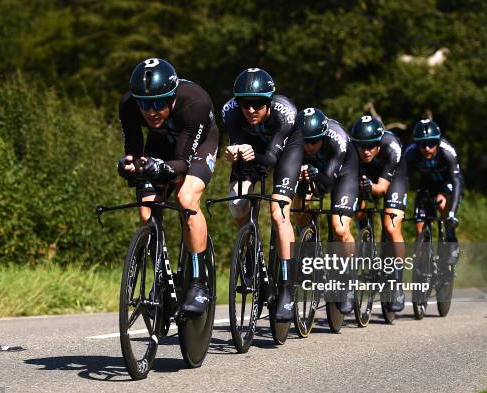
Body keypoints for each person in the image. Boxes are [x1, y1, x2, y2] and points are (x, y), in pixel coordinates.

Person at [117, 58, 219, 315]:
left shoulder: (195, 103)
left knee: (186, 198)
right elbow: (133, 149)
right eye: (144, 104)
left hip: (197, 146)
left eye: (158, 103)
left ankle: (198, 281)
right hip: (161, 143)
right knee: (146, 210)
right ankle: (161, 279)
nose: (151, 111)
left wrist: (160, 169)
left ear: (172, 97)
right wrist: (131, 165)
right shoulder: (128, 105)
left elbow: (182, 164)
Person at [222, 68, 302, 321]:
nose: (251, 110)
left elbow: (270, 159)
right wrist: (234, 153)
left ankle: (288, 288)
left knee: (278, 214)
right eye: (245, 104)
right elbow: (237, 142)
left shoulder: (285, 114)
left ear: (269, 101)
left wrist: (250, 153)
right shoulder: (230, 112)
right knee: (236, 202)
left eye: (258, 104)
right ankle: (250, 254)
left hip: (285, 150)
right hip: (251, 149)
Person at [292, 108, 359, 314]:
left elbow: (328, 183)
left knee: (339, 228)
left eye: (314, 141)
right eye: (305, 141)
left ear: (322, 137)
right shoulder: (294, 137)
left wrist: (314, 174)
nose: (309, 146)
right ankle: (310, 245)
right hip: (311, 171)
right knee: (296, 213)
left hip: (342, 172)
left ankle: (347, 280)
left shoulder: (336, 138)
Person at [351, 115, 407, 312]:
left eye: (371, 146)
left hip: (393, 178)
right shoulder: (352, 148)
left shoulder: (391, 147)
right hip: (367, 175)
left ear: (378, 144)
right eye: (361, 146)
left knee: (391, 226)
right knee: (357, 209)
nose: (365, 151)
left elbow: (382, 189)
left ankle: (398, 284)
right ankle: (365, 237)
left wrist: (369, 186)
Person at [405, 119, 463, 264]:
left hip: (447, 183)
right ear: (416, 144)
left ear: (438, 142)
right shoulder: (411, 153)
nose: (427, 148)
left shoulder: (447, 151)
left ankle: (450, 237)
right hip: (426, 185)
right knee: (419, 227)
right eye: (422, 144)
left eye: (431, 143)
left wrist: (452, 214)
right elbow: (403, 178)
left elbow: (456, 181)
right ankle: (424, 264)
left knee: (443, 205)